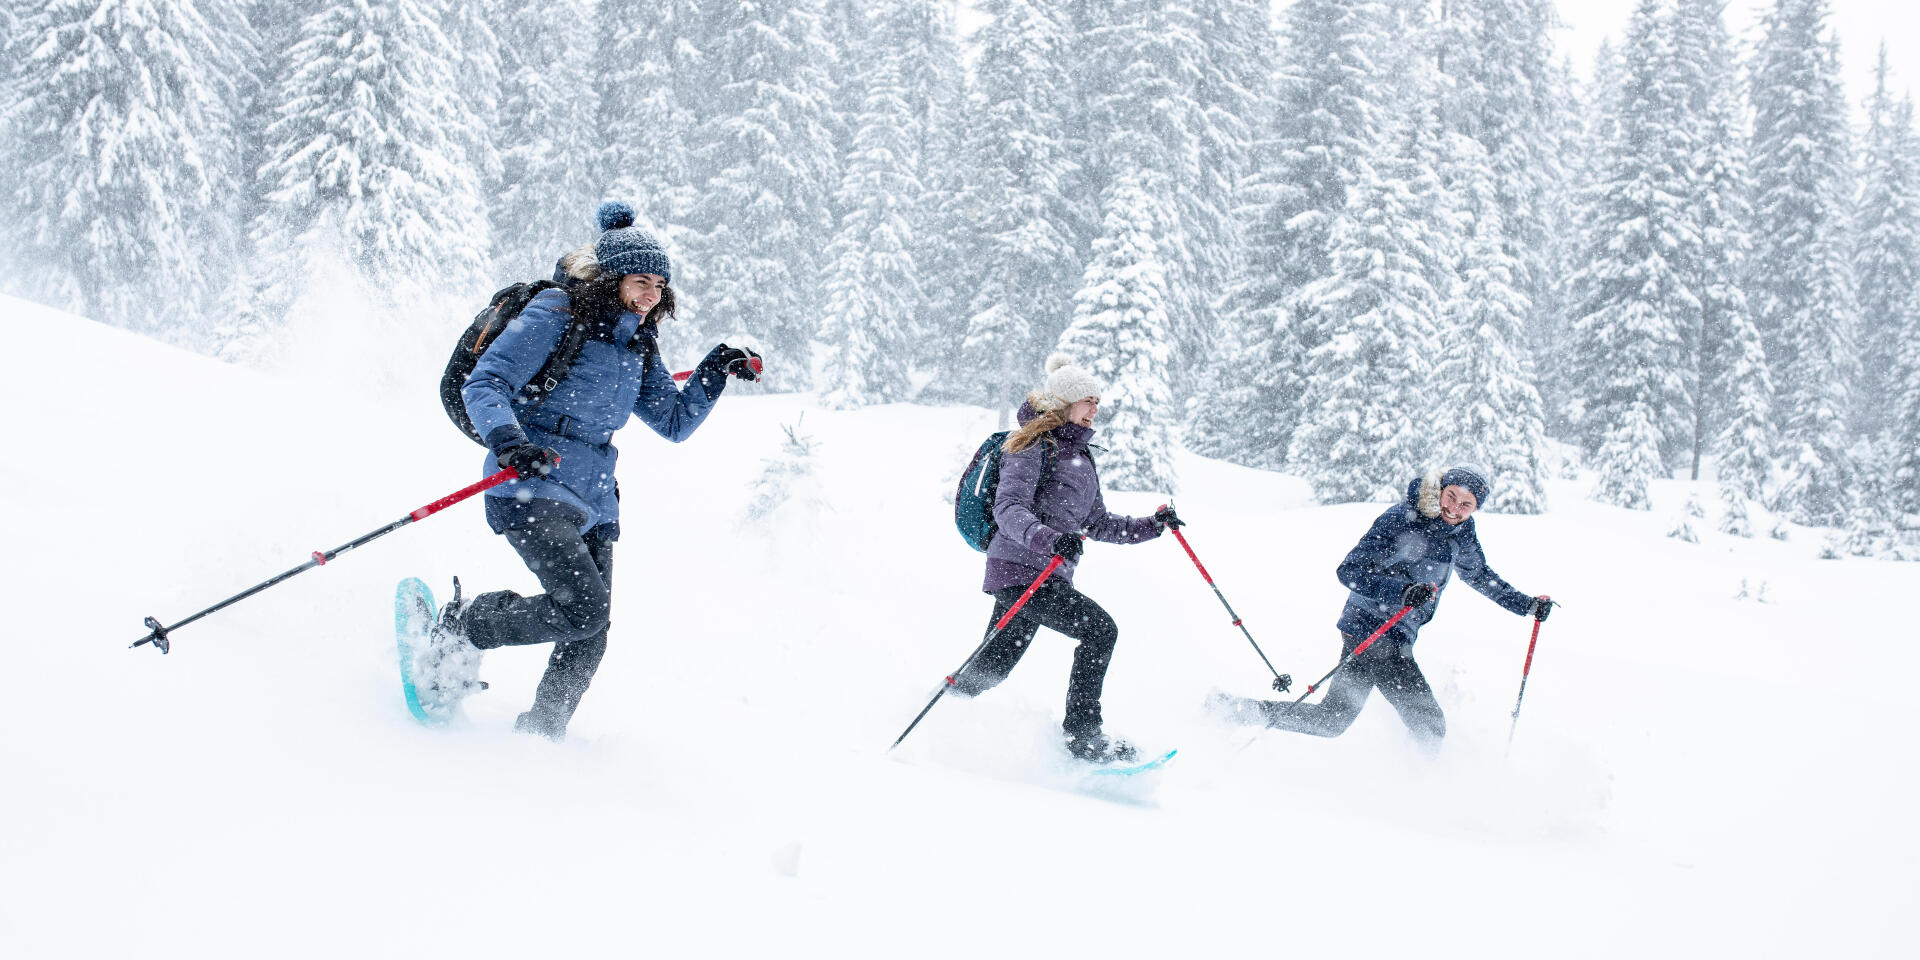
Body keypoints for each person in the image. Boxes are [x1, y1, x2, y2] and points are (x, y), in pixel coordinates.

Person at [416, 201, 760, 740]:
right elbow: (483, 383)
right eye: (641, 280)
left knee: (589, 633)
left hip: (595, 497)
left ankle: (541, 736)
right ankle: (463, 627)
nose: (652, 294)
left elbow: (672, 421)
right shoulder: (555, 314)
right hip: (530, 482)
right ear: (612, 277)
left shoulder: (637, 345)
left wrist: (714, 370)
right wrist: (509, 442)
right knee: (582, 611)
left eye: (660, 285)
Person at [949, 354, 1181, 763]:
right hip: (1019, 569)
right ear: (1065, 404)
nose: (1096, 409)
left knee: (995, 664)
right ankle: (1082, 737)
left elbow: (1099, 523)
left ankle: (946, 710)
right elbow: (1009, 508)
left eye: (1097, 402)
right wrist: (1049, 539)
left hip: (1047, 575)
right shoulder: (1032, 445)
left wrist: (1154, 524)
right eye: (1088, 400)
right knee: (1099, 631)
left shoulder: (1081, 458)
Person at [1213, 465, 1549, 747]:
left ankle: (1230, 710)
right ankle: (1426, 793)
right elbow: (1350, 570)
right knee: (1428, 723)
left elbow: (1479, 575)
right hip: (1372, 629)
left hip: (1395, 635)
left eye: (1467, 504)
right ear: (1441, 490)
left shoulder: (1462, 533)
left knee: (1331, 720)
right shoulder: (1402, 518)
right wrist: (1402, 592)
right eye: (1451, 497)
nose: (1455, 509)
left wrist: (1527, 606)